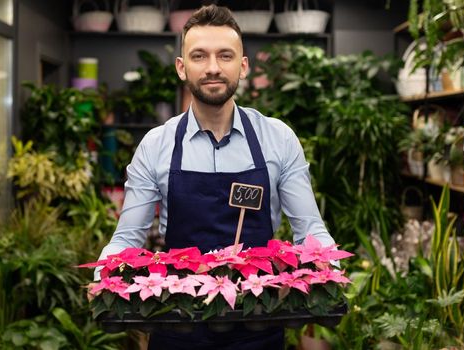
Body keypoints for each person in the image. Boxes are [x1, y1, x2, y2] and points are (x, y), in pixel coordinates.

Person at [95, 5, 336, 349]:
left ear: (243, 66)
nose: (212, 68)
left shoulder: (278, 139)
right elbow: (127, 240)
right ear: (182, 67)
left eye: (225, 56)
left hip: (258, 322)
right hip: (177, 325)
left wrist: (326, 272)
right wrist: (104, 274)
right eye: (199, 56)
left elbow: (311, 233)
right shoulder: (156, 145)